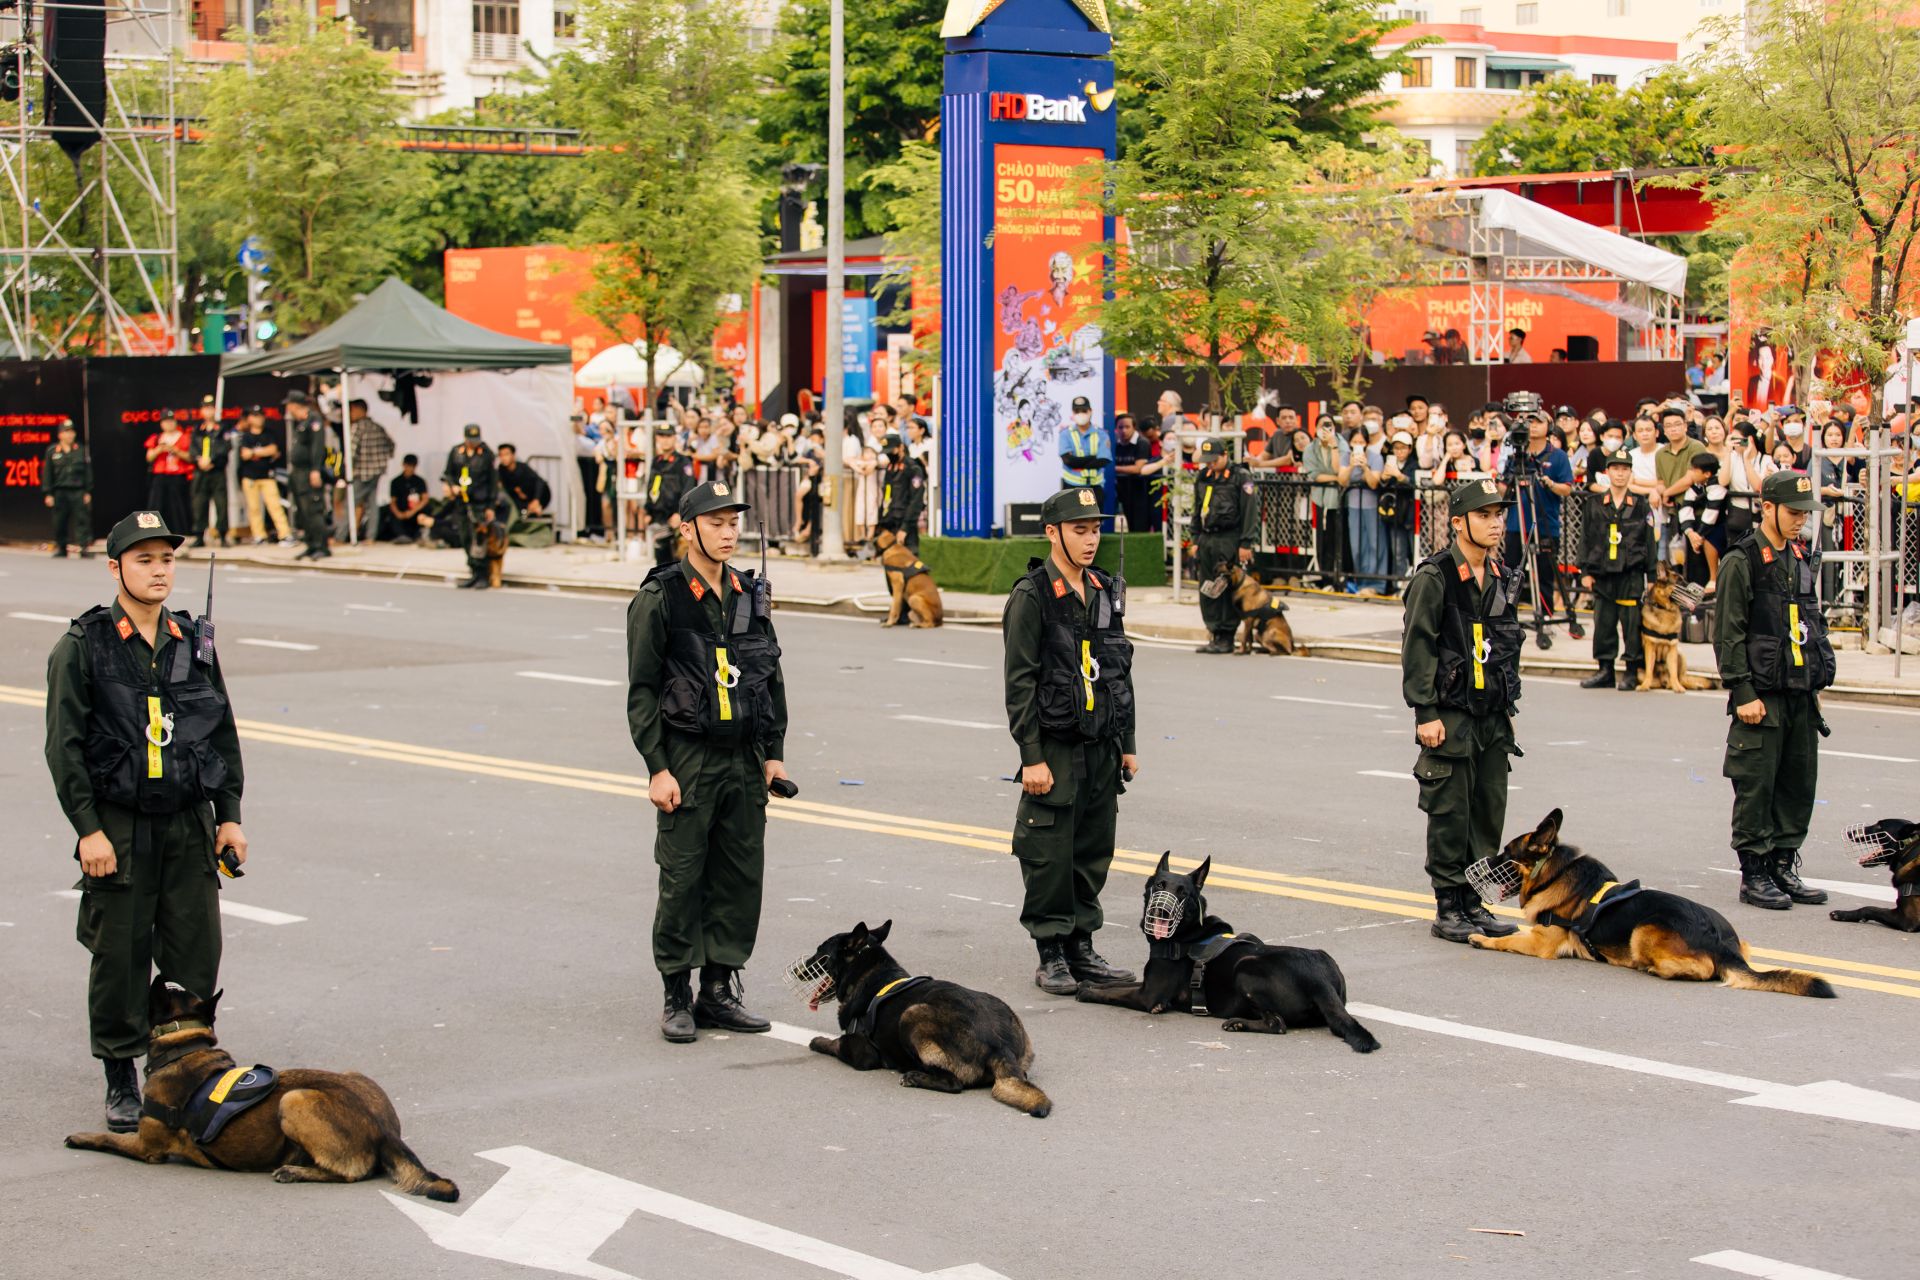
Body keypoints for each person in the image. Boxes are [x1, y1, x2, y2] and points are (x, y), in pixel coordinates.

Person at [44, 509, 248, 1131]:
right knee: (121, 954)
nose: (158, 570)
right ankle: (120, 1074)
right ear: (116, 568)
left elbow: (220, 733)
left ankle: (183, 1068)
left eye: (166, 559)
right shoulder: (83, 645)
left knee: (196, 951)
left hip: (187, 823)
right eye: (144, 559)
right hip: (120, 825)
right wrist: (88, 830)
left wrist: (229, 816)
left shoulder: (195, 640)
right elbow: (65, 747)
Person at [626, 480, 791, 1042]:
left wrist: (774, 754)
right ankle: (677, 993)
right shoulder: (662, 596)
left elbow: (769, 676)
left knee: (740, 878)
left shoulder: (750, 592)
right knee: (683, 879)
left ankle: (719, 990)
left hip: (743, 761)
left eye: (733, 522)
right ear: (687, 526)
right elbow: (643, 689)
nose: (727, 532)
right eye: (716, 522)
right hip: (688, 759)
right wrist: (657, 766)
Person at [1002, 486, 1138, 995]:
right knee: (1049, 850)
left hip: (1100, 745)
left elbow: (1119, 672)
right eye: (1080, 530)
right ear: (1052, 532)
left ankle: (1082, 946)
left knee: (1092, 848)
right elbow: (1020, 682)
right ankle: (1051, 952)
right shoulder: (1032, 596)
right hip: (1054, 746)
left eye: (1096, 529)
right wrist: (1031, 756)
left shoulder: (1104, 589)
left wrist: (1127, 741)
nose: (1090, 539)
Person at [1401, 478, 1523, 944]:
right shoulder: (1435, 577)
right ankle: (1448, 905)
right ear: (1458, 522)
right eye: (1485, 515)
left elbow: (1503, 646)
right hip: (1450, 714)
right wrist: (1425, 711)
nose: (1496, 524)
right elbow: (1418, 648)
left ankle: (1474, 901)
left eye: (1500, 515)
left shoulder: (1499, 575)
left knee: (1487, 810)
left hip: (1491, 714)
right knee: (1450, 812)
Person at [1715, 470, 1836, 911]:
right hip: (1761, 695)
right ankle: (1755, 873)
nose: (1800, 520)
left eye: (1805, 513)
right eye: (1793, 511)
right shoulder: (1742, 560)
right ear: (1767, 508)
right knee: (1756, 784)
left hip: (1799, 692)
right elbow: (1729, 633)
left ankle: (1784, 864)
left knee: (1796, 783)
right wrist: (1743, 691)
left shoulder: (1798, 557)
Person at [1578, 449, 1655, 690]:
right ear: (1607, 472)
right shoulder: (1594, 504)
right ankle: (1605, 670)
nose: (1620, 474)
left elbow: (1650, 540)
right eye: (1615, 469)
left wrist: (1651, 575)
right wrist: (1585, 572)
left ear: (1631, 472)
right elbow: (1586, 538)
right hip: (1602, 572)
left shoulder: (1641, 505)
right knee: (1604, 623)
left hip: (1630, 573)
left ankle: (1631, 671)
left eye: (1624, 469)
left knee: (1632, 625)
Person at [1500, 410, 1576, 621]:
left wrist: (1550, 483)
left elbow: (1567, 489)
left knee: (1545, 573)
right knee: (1511, 573)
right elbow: (1502, 490)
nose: (1532, 426)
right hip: (1517, 524)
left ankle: (1547, 616)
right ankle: (1507, 618)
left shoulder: (1558, 456)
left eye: (1538, 421)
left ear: (1548, 426)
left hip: (1545, 524)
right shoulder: (1516, 457)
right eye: (1528, 422)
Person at [1190, 438, 1257, 653]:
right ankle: (1214, 631)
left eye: (1214, 460)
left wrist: (1246, 543)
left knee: (1225, 586)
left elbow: (1249, 511)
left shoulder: (1240, 477)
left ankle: (1226, 635)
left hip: (1229, 538)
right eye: (1207, 461)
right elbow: (1197, 508)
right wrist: (1194, 538)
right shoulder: (1203, 477)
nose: (1210, 464)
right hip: (1207, 538)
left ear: (1225, 455)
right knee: (1208, 587)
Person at [442, 424, 497, 585]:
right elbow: (448, 473)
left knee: (479, 538)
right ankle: (473, 570)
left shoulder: (486, 455)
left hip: (479, 501)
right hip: (461, 501)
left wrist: (491, 506)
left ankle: (482, 574)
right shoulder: (456, 452)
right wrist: (451, 485)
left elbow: (493, 482)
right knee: (465, 535)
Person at [234, 407, 291, 546]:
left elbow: (273, 450)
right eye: (255, 416)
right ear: (249, 419)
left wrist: (254, 452)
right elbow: (244, 454)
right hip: (250, 477)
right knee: (254, 508)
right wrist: (262, 452)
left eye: (260, 416)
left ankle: (285, 534)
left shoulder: (269, 434)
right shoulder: (245, 436)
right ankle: (259, 535)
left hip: (267, 475)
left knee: (275, 506)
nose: (258, 419)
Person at [285, 391, 332, 561]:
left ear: (295, 405)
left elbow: (317, 447)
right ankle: (311, 544)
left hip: (309, 471)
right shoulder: (300, 422)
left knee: (313, 509)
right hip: (298, 472)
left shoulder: (314, 419)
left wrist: (315, 470)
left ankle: (322, 546)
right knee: (303, 511)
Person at [644, 424, 698, 566]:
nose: (665, 440)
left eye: (668, 436)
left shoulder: (683, 462)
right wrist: (648, 510)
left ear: (674, 438)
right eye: (661, 436)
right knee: (661, 563)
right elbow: (651, 486)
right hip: (659, 517)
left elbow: (688, 489)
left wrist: (679, 513)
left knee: (678, 562)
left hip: (675, 519)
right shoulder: (656, 461)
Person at [1301, 416, 1345, 588]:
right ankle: (1324, 576)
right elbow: (1315, 474)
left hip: (1339, 501)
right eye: (1322, 426)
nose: (1325, 430)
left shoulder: (1341, 444)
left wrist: (1333, 446)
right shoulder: (1311, 448)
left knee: (1338, 539)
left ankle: (1338, 577)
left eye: (1329, 426)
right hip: (1319, 499)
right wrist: (1336, 479)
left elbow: (1338, 468)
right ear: (1315, 428)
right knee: (1321, 539)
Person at [1677, 452, 1730, 589]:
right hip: (1709, 526)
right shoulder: (1699, 484)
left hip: (1724, 524)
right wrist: (1690, 532)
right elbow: (1686, 505)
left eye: (1695, 470)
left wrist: (1699, 536)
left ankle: (1714, 578)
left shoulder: (1718, 485)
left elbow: (1711, 514)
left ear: (1706, 473)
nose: (1691, 473)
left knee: (1711, 538)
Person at [345, 399, 395, 544]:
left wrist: (346, 470)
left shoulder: (357, 428)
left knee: (351, 503)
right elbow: (391, 445)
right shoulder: (377, 427)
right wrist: (381, 459)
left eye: (351, 410)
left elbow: (351, 453)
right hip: (377, 471)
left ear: (359, 410)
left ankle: (340, 536)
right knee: (372, 503)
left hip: (361, 472)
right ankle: (371, 536)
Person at [43, 417, 93, 557]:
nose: (70, 434)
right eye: (66, 432)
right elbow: (47, 473)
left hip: (78, 490)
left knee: (82, 520)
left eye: (72, 432)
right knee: (59, 521)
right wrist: (48, 493)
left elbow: (87, 472)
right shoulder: (52, 451)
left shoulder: (81, 450)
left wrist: (88, 491)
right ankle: (62, 547)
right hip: (60, 491)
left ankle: (83, 547)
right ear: (60, 435)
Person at [189, 396, 232, 549]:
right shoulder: (197, 429)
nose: (208, 411)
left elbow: (226, 447)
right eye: (205, 408)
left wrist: (212, 460)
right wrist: (199, 459)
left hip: (217, 470)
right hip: (200, 471)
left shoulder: (222, 429)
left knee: (221, 503)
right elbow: (192, 449)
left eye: (211, 408)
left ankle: (222, 534)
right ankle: (199, 534)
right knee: (199, 503)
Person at [143, 409, 194, 535]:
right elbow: (149, 457)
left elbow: (190, 457)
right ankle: (153, 532)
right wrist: (160, 449)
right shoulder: (157, 438)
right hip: (160, 475)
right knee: (156, 505)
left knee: (177, 506)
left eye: (171, 421)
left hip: (177, 475)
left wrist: (174, 450)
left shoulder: (184, 437)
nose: (168, 424)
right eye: (165, 421)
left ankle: (181, 532)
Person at [875, 431, 928, 551]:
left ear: (901, 448)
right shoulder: (890, 468)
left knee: (909, 559)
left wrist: (905, 528)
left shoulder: (913, 468)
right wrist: (882, 520)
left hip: (906, 522)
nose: (889, 455)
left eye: (891, 451)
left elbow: (916, 500)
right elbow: (887, 496)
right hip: (890, 522)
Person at [1112, 414, 1155, 533]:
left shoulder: (1142, 443)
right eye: (1120, 427)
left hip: (1140, 490)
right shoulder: (1114, 443)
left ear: (1134, 428)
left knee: (1139, 526)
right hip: (1120, 489)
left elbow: (1138, 469)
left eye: (1127, 427)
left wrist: (1113, 468)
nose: (1123, 430)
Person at [1059, 394, 1107, 491]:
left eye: (1084, 411)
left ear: (1090, 411)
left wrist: (1078, 461)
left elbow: (1103, 461)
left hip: (1096, 487)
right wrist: (1094, 458)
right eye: (1077, 411)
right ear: (1073, 413)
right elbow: (1068, 461)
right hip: (1071, 486)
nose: (1081, 414)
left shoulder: (1102, 434)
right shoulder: (1065, 434)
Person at [496, 443, 552, 517]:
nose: (504, 458)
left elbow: (539, 482)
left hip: (539, 496)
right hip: (522, 501)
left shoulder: (523, 468)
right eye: (501, 455)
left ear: (513, 455)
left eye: (506, 454)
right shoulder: (501, 470)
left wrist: (536, 500)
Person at [386, 454, 429, 543]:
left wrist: (412, 511)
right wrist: (398, 513)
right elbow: (393, 501)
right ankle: (401, 535)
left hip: (415, 511)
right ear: (404, 465)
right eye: (408, 466)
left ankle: (419, 534)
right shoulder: (396, 482)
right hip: (401, 510)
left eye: (412, 466)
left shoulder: (419, 481)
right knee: (391, 515)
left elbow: (425, 499)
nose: (410, 469)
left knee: (425, 513)